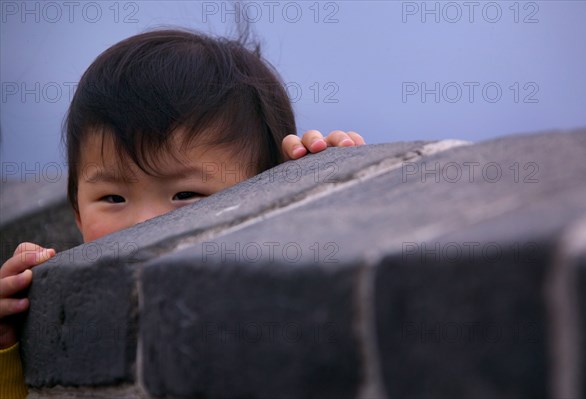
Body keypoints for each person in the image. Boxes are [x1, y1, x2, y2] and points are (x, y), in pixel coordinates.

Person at [0, 29, 364, 398]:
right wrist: (8, 346)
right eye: (113, 198)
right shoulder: (67, 322)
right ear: (77, 212)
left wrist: (318, 194)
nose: (145, 223)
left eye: (186, 194)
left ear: (266, 195)